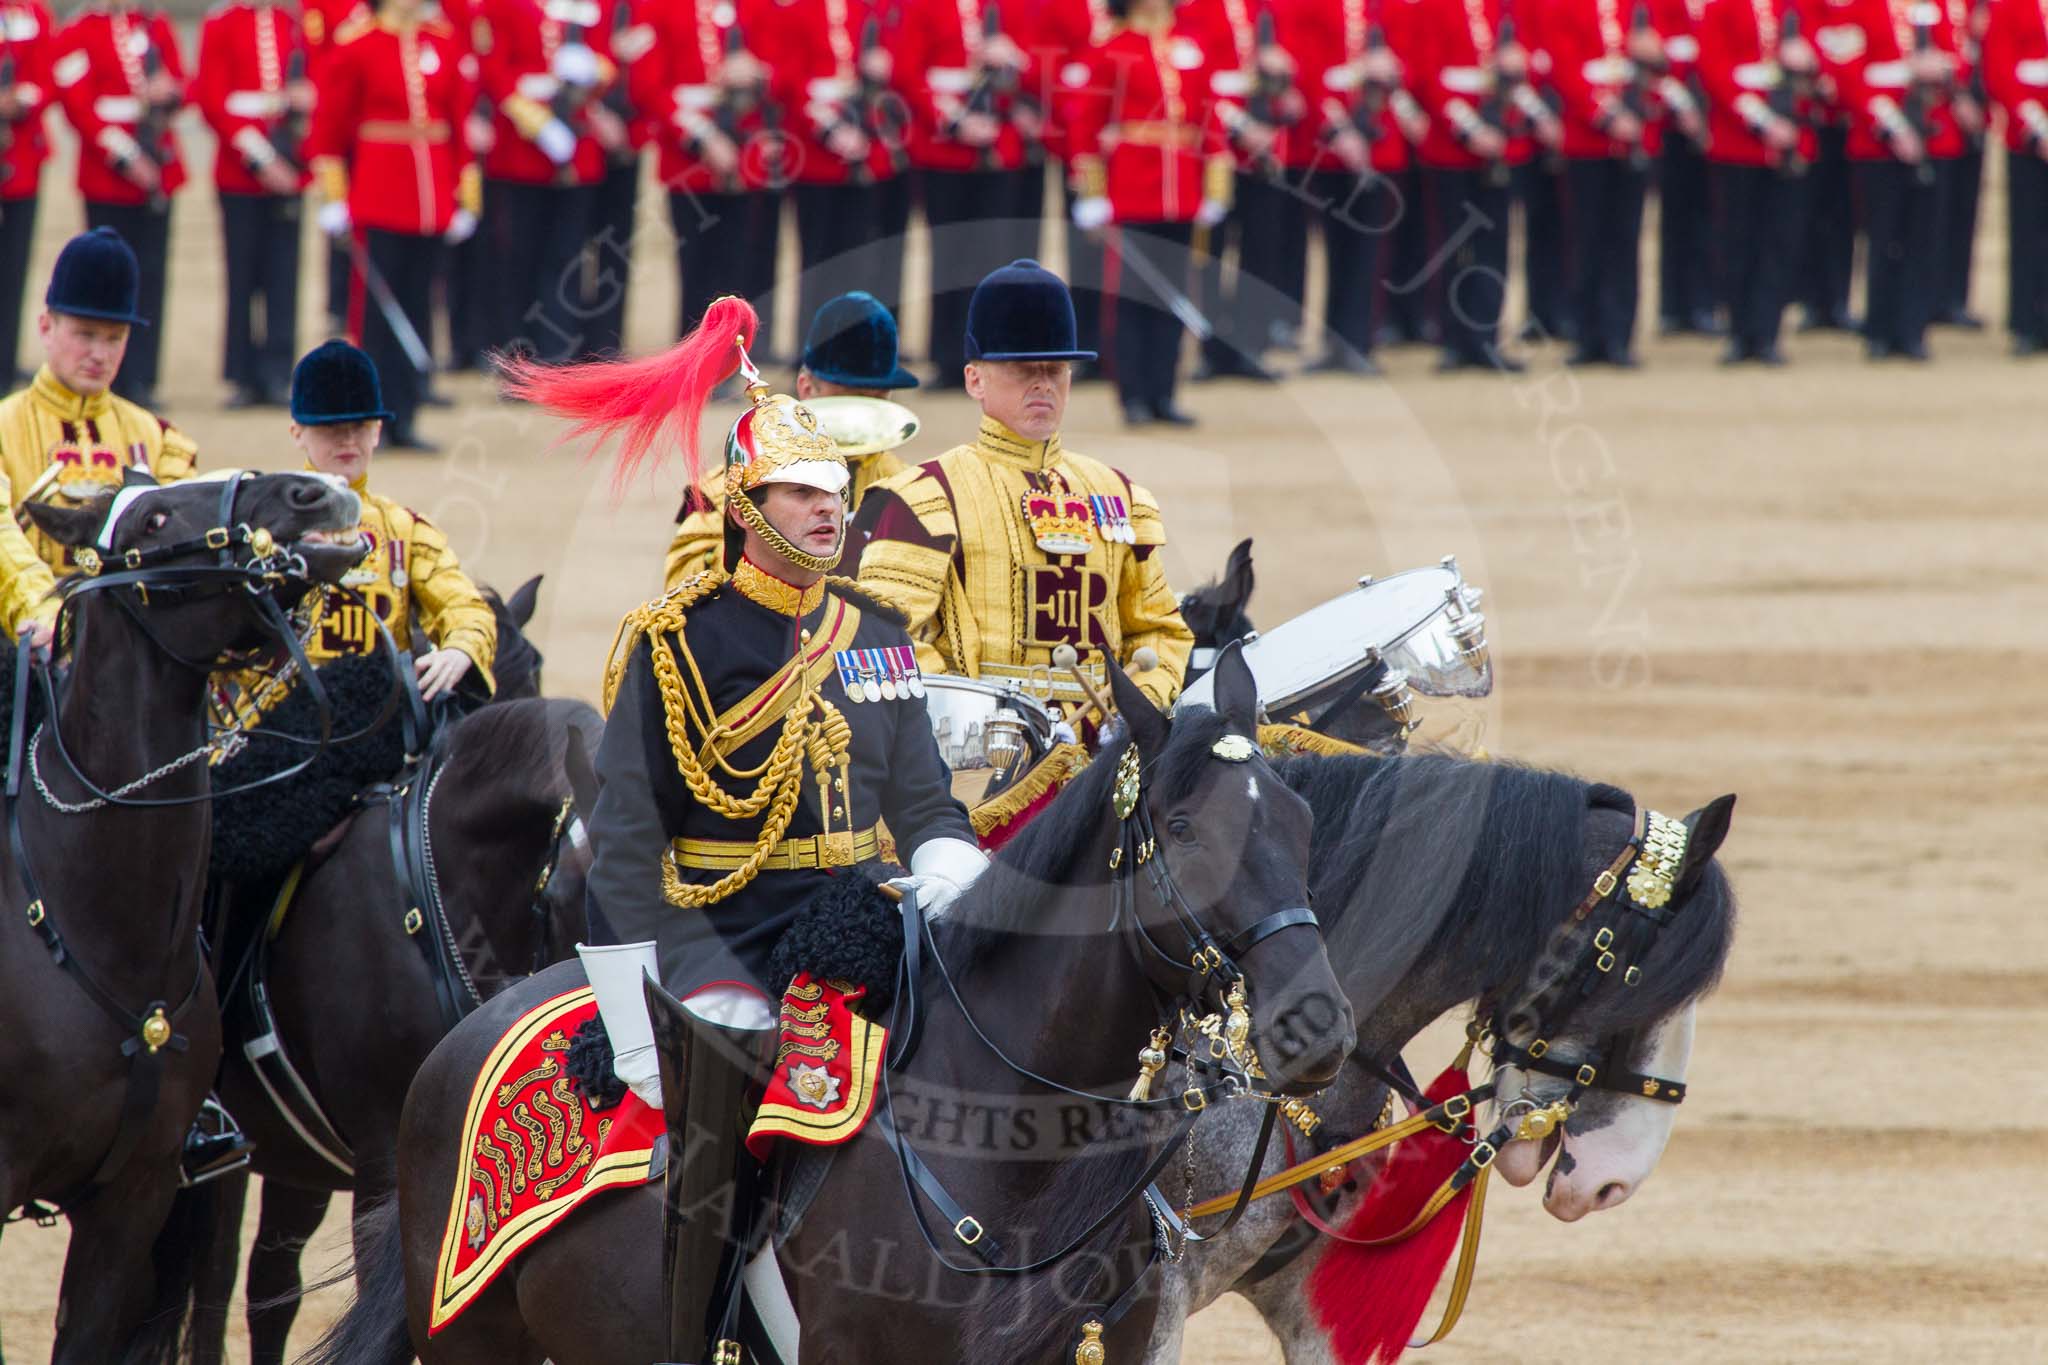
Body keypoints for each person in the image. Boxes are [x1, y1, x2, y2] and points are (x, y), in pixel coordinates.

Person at [502, 296, 984, 1365]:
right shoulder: (679, 644)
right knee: (716, 1127)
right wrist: (635, 1010)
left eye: (837, 490)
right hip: (723, 933)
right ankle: (695, 1334)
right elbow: (624, 842)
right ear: (746, 503)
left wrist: (951, 858)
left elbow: (923, 800)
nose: (828, 509)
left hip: (863, 914)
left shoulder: (875, 631)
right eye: (803, 493)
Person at [855, 260, 1194, 711]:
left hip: (1108, 756)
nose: (1042, 385)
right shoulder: (925, 496)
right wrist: (965, 715)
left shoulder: (1118, 496)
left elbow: (1159, 629)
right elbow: (881, 637)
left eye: (1056, 370)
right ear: (974, 379)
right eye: (1021, 369)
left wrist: (1140, 710)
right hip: (980, 762)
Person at [218, 342, 496, 727]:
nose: (348, 441)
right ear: (297, 431)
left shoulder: (405, 529)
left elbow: (465, 607)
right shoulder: (256, 525)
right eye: (333, 428)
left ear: (378, 431)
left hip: (380, 735)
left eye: (360, 427)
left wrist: (460, 649)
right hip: (273, 729)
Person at [305, 0, 481, 451]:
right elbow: (330, 125)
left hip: (431, 195)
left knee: (420, 306)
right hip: (379, 193)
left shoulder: (440, 40)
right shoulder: (357, 46)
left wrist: (463, 191)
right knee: (376, 317)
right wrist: (334, 194)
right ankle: (372, 417)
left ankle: (407, 415)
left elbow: (458, 121)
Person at [666, 289, 921, 586]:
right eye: (849, 397)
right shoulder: (732, 483)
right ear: (806, 388)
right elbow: (681, 582)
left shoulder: (910, 488)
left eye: (877, 399)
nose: (861, 416)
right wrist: (765, 543)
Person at [0, 228, 197, 591]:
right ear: (46, 327)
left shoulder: (158, 437)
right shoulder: (4, 428)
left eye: (114, 338)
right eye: (86, 334)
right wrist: (43, 612)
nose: (100, 355)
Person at [1066, 0, 1232, 426]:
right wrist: (1092, 189)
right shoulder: (1113, 47)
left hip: (1183, 190)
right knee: (1132, 296)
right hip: (1133, 187)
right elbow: (1087, 120)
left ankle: (1164, 393)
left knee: (1172, 297)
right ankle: (1134, 395)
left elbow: (1209, 116)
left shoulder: (1190, 44)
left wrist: (1214, 185)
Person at [899, 0, 1045, 389]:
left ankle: (995, 353)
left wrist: (1015, 58)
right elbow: (908, 73)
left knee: (995, 256)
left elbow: (1039, 71)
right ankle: (949, 357)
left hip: (998, 145)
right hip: (944, 149)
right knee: (950, 254)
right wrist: (955, 120)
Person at [51, 0, 186, 409]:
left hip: (156, 165)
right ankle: (108, 374)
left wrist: (171, 91)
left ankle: (143, 376)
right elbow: (78, 105)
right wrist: (126, 157)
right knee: (106, 282)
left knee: (151, 278)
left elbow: (183, 82)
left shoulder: (154, 25)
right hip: (108, 175)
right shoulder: (78, 31)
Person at [1409, 0, 1555, 371]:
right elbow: (1426, 75)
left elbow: (1539, 64)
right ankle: (1455, 341)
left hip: (1504, 143)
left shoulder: (1509, 9)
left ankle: (1487, 337)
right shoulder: (1435, 9)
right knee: (1455, 246)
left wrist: (1522, 72)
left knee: (1495, 246)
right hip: (1452, 149)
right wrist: (1471, 129)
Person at [471, 0, 615, 362]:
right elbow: (494, 72)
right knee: (518, 258)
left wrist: (594, 69)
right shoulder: (501, 7)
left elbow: (607, 58)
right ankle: (517, 357)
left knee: (567, 259)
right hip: (522, 153)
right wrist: (539, 124)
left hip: (577, 148)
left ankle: (558, 354)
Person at [1819, 0, 1963, 361]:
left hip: (1934, 137)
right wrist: (1892, 127)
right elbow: (1847, 73)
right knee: (1884, 237)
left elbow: (1960, 58)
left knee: (1923, 239)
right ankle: (1880, 328)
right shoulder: (1858, 10)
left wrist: (1942, 67)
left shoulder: (1937, 7)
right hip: (1878, 142)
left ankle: (1913, 329)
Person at [633, 0, 782, 337]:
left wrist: (758, 72)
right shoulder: (660, 9)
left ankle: (733, 352)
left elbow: (784, 72)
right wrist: (703, 138)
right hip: (689, 163)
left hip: (743, 157)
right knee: (696, 270)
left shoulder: (755, 9)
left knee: (737, 267)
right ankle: (693, 356)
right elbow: (650, 87)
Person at [195, 0, 313, 408]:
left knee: (284, 275)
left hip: (291, 164)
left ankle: (279, 370)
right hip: (240, 171)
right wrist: (260, 158)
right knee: (242, 274)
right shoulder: (222, 23)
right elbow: (212, 99)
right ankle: (243, 373)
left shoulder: (294, 22)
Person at [1697, 0, 1818, 364]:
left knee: (1780, 241)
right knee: (1738, 240)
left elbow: (1831, 59)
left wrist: (1810, 62)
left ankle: (1767, 332)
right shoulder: (1722, 8)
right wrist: (1763, 122)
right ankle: (1739, 332)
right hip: (1741, 144)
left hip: (1792, 142)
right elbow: (1714, 69)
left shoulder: (1797, 8)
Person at [1983, 0, 2048, 354]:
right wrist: (2037, 128)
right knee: (2027, 233)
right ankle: (2027, 322)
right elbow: (1999, 69)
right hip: (2026, 139)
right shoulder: (2010, 6)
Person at [0, 0, 56, 389]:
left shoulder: (33, 12)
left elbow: (46, 77)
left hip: (19, 161)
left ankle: (5, 358)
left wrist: (20, 99)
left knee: (13, 267)